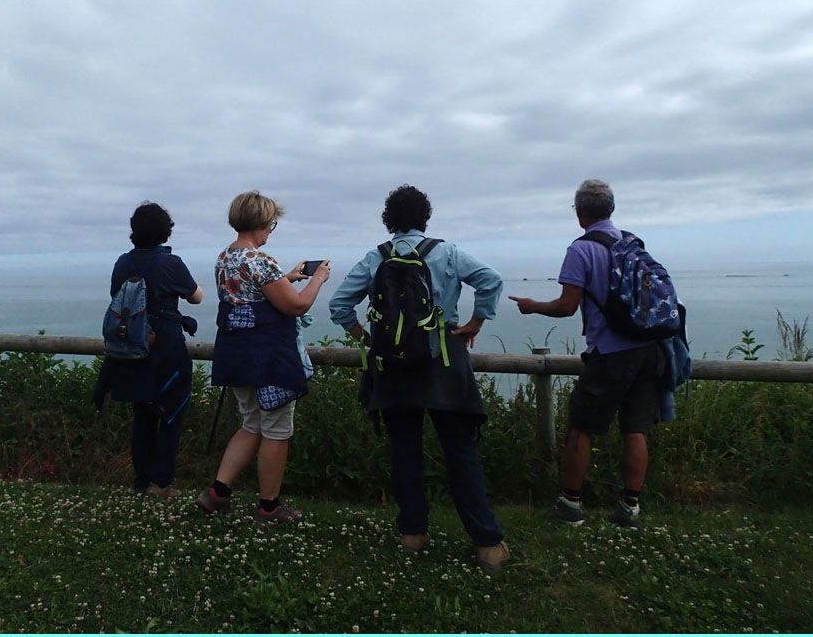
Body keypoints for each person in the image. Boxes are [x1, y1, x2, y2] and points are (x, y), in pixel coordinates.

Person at [328, 184, 510, 571]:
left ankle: (412, 534)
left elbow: (339, 304)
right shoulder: (447, 253)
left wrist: (367, 338)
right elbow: (491, 279)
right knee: (460, 451)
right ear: (426, 217)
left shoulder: (376, 257)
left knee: (404, 451)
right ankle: (487, 544)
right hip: (443, 362)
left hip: (393, 367)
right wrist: (476, 321)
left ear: (388, 220)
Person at [509, 179, 665, 528]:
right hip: (648, 348)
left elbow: (567, 306)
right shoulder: (631, 242)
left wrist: (533, 306)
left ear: (579, 212)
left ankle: (571, 504)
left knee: (580, 427)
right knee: (635, 429)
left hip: (610, 353)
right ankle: (630, 508)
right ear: (611, 209)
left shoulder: (581, 250)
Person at [196, 190, 330, 523]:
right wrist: (317, 280)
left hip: (237, 355)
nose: (272, 230)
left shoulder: (224, 258)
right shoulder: (260, 260)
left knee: (251, 423)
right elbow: (296, 305)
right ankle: (269, 507)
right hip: (268, 358)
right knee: (276, 429)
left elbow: (249, 294)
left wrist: (288, 278)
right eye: (272, 224)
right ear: (264, 223)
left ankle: (217, 493)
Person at [94, 202, 204, 497]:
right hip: (166, 346)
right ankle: (162, 482)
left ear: (134, 231)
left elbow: (116, 296)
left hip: (132, 347)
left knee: (142, 412)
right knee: (172, 412)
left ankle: (142, 480)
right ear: (166, 232)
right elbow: (196, 297)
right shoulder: (171, 263)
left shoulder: (122, 263)